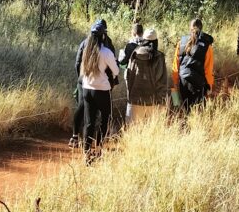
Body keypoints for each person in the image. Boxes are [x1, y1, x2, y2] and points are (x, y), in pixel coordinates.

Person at [69, 18, 115, 148]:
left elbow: (77, 63)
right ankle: (96, 144)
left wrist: (82, 79)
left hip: (85, 82)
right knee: (102, 116)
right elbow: (113, 65)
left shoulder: (85, 43)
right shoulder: (107, 44)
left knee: (84, 111)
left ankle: (77, 138)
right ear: (104, 31)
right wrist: (110, 82)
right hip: (100, 84)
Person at [79, 20, 119, 158]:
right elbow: (116, 71)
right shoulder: (106, 52)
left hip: (86, 89)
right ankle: (99, 148)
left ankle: (86, 152)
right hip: (102, 90)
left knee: (89, 122)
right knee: (105, 120)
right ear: (103, 36)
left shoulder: (86, 51)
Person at [125, 27, 169, 123]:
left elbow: (128, 76)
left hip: (134, 100)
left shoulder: (134, 54)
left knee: (133, 132)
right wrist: (162, 101)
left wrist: (130, 96)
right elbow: (162, 81)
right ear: (156, 41)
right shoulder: (159, 57)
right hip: (152, 102)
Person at [173, 18, 214, 113]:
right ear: (201, 28)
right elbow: (208, 69)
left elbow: (176, 65)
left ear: (190, 28)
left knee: (185, 110)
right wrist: (209, 86)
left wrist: (175, 83)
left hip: (183, 81)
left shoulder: (181, 42)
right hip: (198, 84)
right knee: (198, 112)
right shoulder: (208, 46)